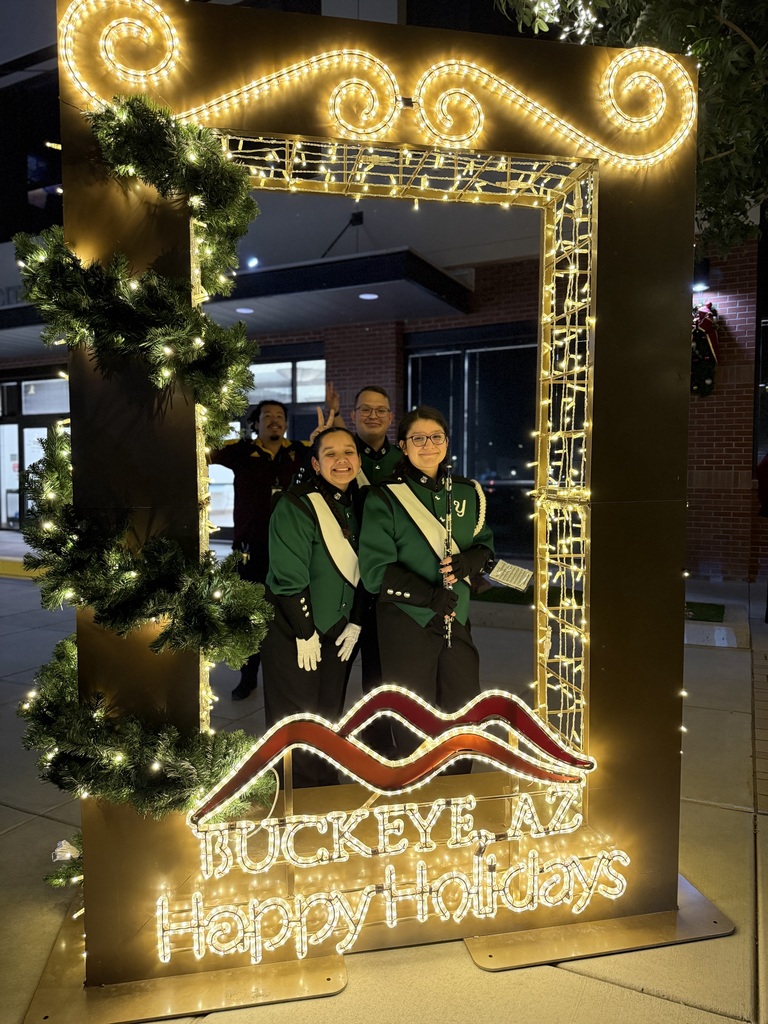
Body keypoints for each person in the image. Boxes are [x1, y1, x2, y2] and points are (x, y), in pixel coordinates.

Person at [359, 405, 494, 763]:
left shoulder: (468, 492)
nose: (428, 445)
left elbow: (486, 546)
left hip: (457, 618)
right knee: (412, 717)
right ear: (403, 445)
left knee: (464, 708)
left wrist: (469, 561)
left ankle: (458, 789)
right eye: (418, 438)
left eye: (436, 437)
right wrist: (429, 595)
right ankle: (417, 788)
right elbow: (375, 573)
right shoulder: (384, 497)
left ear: (446, 442)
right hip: (406, 620)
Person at [260, 426, 364, 787]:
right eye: (331, 453)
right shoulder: (296, 503)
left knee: (328, 719)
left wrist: (356, 621)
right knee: (296, 725)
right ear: (316, 464)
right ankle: (297, 804)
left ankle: (325, 796)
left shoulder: (359, 505)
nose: (341, 460)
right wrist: (305, 631)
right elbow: (288, 578)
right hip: (294, 633)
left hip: (338, 633)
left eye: (348, 452)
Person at [208, 400, 313, 700]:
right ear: (256, 423)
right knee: (250, 617)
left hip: (290, 549)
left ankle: (290, 677)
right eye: (268, 417)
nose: (275, 421)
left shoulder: (299, 451)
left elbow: (329, 453)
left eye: (280, 417)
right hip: (250, 550)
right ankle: (248, 677)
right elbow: (202, 452)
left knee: (290, 613)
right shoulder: (241, 452)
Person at [349, 385, 401, 484]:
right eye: (366, 410)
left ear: (390, 418)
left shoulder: (403, 458)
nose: (373, 416)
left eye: (381, 411)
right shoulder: (341, 457)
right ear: (353, 416)